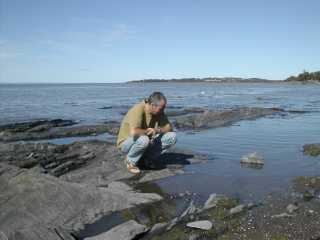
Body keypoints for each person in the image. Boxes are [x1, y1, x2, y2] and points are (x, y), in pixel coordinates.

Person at [117, 92, 177, 174]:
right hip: (126, 143)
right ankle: (130, 162)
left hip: (145, 140)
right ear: (152, 105)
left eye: (163, 108)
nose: (163, 111)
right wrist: (149, 131)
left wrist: (157, 130)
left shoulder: (159, 112)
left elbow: (169, 127)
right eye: (161, 109)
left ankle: (146, 159)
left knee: (172, 136)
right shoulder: (138, 109)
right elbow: (133, 132)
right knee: (144, 139)